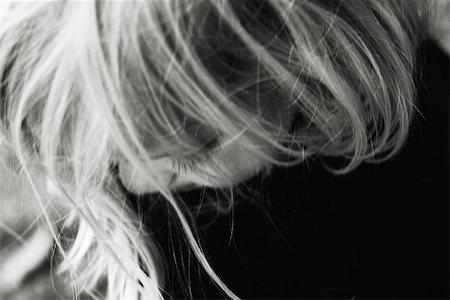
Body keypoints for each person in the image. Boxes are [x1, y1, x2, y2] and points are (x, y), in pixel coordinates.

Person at [0, 0, 446, 299]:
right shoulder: (158, 208)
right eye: (109, 160)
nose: (138, 183)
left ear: (291, 58)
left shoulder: (424, 140)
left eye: (186, 154)